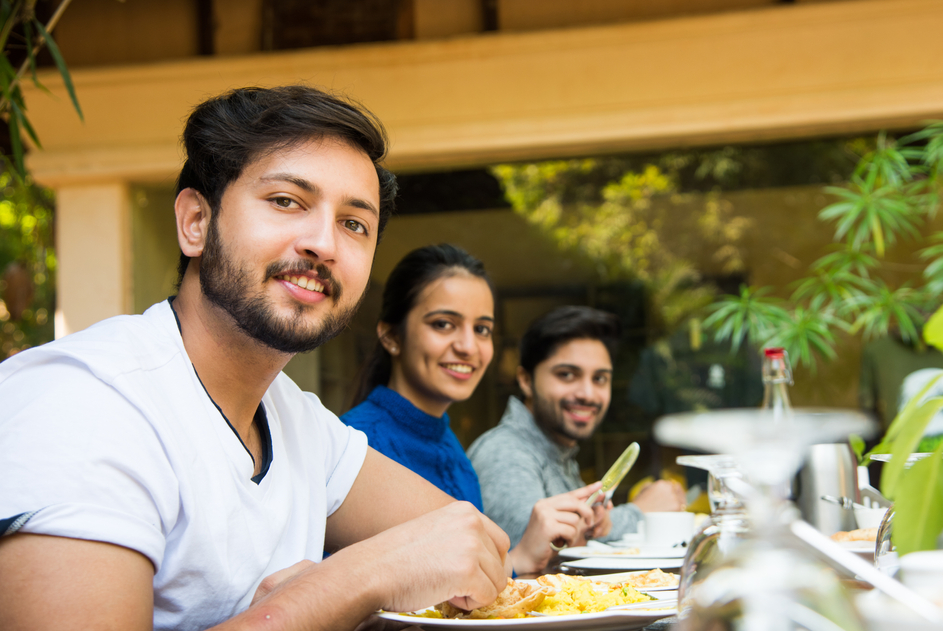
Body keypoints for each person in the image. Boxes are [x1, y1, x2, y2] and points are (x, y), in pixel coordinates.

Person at [0, 86, 510, 631]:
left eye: (354, 223)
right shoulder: (82, 404)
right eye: (287, 201)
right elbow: (392, 566)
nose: (324, 244)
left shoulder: (298, 421)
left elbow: (471, 542)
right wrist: (343, 586)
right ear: (196, 222)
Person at [341, 244, 608, 574]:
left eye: (482, 329)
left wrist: (523, 557)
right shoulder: (357, 445)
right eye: (443, 324)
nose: (468, 347)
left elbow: (460, 588)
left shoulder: (453, 451)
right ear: (392, 336)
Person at [468, 305, 687, 545]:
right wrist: (640, 512)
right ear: (526, 381)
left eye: (600, 378)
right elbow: (530, 551)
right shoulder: (506, 452)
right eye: (567, 374)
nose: (588, 394)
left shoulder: (559, 453)